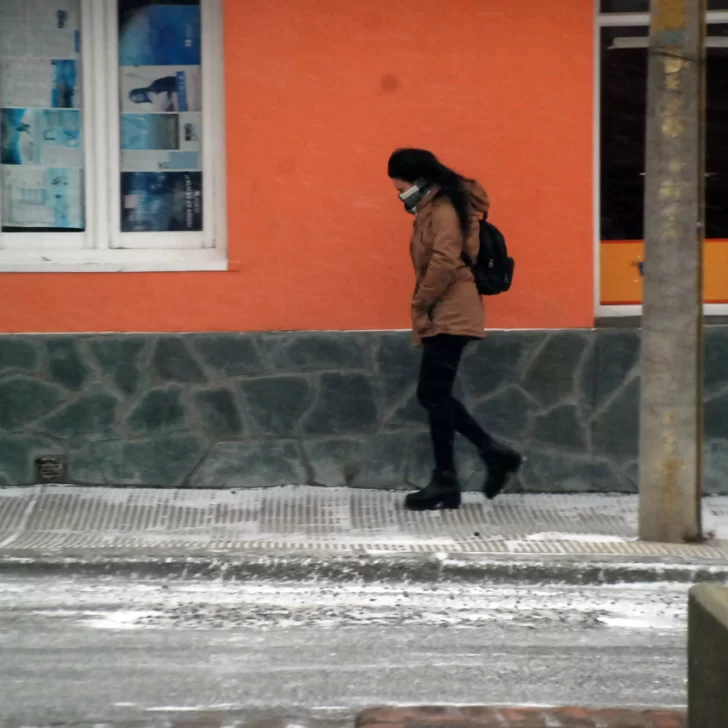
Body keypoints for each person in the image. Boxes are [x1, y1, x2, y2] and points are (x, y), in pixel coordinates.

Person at [387, 148, 522, 511]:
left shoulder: (444, 208)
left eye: (400, 188)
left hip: (451, 309)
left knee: (432, 394)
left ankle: (489, 454)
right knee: (436, 395)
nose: (399, 196)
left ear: (415, 181)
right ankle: (447, 478)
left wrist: (421, 302)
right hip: (446, 308)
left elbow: (445, 260)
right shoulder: (435, 206)